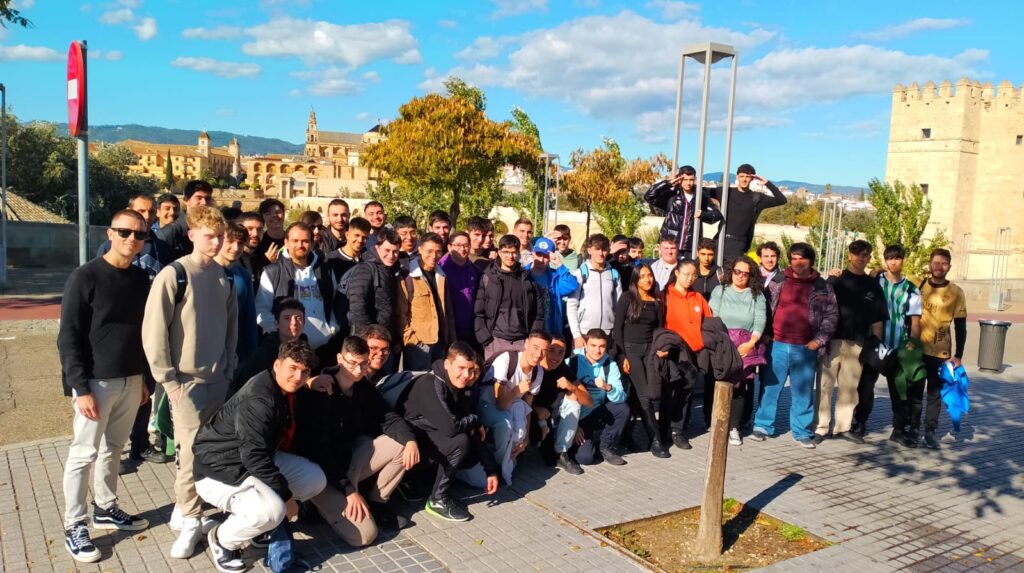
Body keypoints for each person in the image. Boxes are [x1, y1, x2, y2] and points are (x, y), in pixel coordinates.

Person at [142, 206, 238, 558]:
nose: (216, 242)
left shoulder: (223, 277)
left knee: (209, 451)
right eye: (209, 236)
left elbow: (231, 328)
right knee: (190, 454)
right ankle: (191, 519)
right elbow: (154, 332)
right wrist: (169, 382)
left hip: (218, 380)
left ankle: (188, 509)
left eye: (220, 236)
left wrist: (229, 367)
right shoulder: (175, 274)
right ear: (192, 234)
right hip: (185, 382)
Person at [59, 209, 152, 563]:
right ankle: (74, 524)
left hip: (130, 379)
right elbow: (68, 336)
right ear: (110, 233)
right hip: (95, 382)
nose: (132, 239)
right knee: (83, 454)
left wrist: (143, 379)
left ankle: (105, 506)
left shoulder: (141, 279)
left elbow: (142, 333)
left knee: (114, 448)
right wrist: (79, 387)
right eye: (125, 232)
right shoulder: (85, 277)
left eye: (139, 234)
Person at [193, 340, 327, 573]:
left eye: (305, 371)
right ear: (277, 365)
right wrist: (286, 497)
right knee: (273, 510)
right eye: (293, 368)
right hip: (219, 470)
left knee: (314, 479)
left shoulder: (282, 389)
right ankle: (223, 540)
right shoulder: (260, 399)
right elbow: (254, 458)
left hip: (250, 460)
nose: (298, 377)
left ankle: (259, 528)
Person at [301, 337, 419, 545]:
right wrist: (349, 491)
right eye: (352, 363)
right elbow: (318, 450)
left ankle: (377, 502)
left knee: (401, 444)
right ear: (340, 358)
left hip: (349, 462)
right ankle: (313, 504)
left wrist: (410, 440)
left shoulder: (362, 386)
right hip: (323, 473)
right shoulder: (322, 389)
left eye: (364, 364)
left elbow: (387, 417)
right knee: (365, 536)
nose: (358, 370)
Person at [396, 342, 499, 522]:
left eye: (470, 369)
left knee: (467, 441)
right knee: (460, 442)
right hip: (404, 446)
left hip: (427, 440)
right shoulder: (430, 384)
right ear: (447, 364)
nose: (466, 375)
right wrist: (475, 421)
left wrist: (491, 470)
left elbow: (470, 428)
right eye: (461, 368)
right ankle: (436, 499)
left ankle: (416, 481)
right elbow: (451, 428)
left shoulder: (460, 387)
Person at [750, 243, 837, 448]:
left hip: (805, 348)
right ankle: (762, 425)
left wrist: (818, 341)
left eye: (802, 258)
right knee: (770, 388)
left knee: (803, 392)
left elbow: (831, 316)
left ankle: (801, 431)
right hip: (777, 344)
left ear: (810, 261)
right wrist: (766, 335)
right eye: (794, 258)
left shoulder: (822, 286)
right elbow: (764, 309)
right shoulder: (778, 281)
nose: (798, 263)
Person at [814, 240, 887, 445]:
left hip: (858, 344)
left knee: (849, 388)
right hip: (833, 341)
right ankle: (821, 428)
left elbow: (878, 318)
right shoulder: (836, 280)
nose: (860, 258)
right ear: (849, 255)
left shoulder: (873, 285)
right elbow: (819, 305)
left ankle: (842, 428)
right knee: (825, 386)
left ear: (869, 258)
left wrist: (875, 344)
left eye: (865, 255)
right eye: (856, 254)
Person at [851, 244, 922, 446]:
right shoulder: (875, 280)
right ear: (885, 260)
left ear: (903, 260)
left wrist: (911, 348)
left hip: (898, 346)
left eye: (897, 258)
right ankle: (860, 423)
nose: (893, 262)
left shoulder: (911, 289)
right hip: (875, 344)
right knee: (866, 386)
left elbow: (915, 322)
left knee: (899, 390)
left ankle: (899, 430)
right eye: (889, 258)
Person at [475, 331, 550, 485]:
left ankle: (506, 460)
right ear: (526, 344)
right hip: (486, 404)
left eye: (544, 350)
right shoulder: (507, 359)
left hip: (511, 406)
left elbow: (527, 407)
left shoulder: (538, 372)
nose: (539, 354)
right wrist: (516, 390)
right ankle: (498, 466)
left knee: (519, 429)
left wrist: (526, 438)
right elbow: (500, 405)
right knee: (506, 423)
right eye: (535, 348)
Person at [708, 256, 767, 446]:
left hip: (745, 345)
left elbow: (759, 321)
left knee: (740, 388)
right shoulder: (720, 291)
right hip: (722, 343)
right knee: (718, 384)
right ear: (731, 271)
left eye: (745, 273)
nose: (741, 276)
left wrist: (751, 343)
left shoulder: (757, 295)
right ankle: (717, 423)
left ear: (751, 276)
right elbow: (713, 316)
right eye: (737, 271)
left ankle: (734, 427)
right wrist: (722, 343)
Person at [613, 263, 669, 457]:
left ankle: (626, 437)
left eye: (650, 275)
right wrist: (622, 356)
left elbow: (659, 330)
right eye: (643, 276)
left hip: (649, 352)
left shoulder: (656, 302)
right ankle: (656, 440)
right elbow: (617, 329)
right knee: (646, 396)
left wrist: (661, 350)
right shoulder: (627, 298)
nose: (647, 279)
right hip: (631, 351)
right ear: (636, 279)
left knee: (638, 397)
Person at [255, 222, 338, 351]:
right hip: (287, 349)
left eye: (305, 241)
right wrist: (284, 333)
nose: (300, 245)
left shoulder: (325, 270)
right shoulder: (273, 272)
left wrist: (333, 328)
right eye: (295, 241)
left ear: (312, 243)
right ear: (286, 242)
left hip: (324, 347)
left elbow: (335, 302)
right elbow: (261, 311)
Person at [915, 248, 967, 449]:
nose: (939, 267)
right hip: (916, 349)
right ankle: (912, 428)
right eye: (936, 263)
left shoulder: (956, 292)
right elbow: (889, 275)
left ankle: (930, 432)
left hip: (940, 352)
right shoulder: (918, 284)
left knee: (934, 394)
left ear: (949, 267)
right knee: (915, 391)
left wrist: (958, 355)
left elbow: (960, 326)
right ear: (929, 264)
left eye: (943, 263)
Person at [663, 260, 712, 447]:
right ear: (677, 273)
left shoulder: (698, 297)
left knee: (686, 393)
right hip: (672, 352)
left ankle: (678, 430)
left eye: (694, 275)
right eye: (686, 274)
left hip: (693, 353)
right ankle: (664, 429)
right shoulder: (665, 296)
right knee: (670, 392)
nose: (690, 278)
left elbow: (709, 322)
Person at [474, 234, 544, 360]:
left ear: (518, 253)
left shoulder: (527, 279)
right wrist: (485, 339)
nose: (510, 256)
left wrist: (532, 338)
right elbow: (479, 311)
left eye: (514, 252)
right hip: (495, 341)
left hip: (522, 342)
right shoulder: (488, 277)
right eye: (506, 252)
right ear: (499, 252)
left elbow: (538, 313)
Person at [531, 337, 593, 473]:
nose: (556, 356)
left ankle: (562, 452)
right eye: (551, 350)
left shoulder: (563, 368)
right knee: (546, 457)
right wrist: (535, 409)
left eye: (561, 352)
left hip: (553, 415)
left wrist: (572, 387)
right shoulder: (534, 366)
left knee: (574, 396)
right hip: (531, 413)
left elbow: (589, 401)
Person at [569, 329, 629, 466]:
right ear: (585, 344)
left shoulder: (610, 365)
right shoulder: (572, 362)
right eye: (593, 345)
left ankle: (605, 446)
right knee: (585, 459)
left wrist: (608, 387)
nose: (597, 350)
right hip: (577, 417)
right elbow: (561, 400)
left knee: (622, 409)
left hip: (597, 412)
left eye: (602, 346)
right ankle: (582, 444)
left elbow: (621, 397)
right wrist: (573, 424)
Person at [397, 233, 456, 370]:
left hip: (441, 343)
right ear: (420, 249)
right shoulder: (408, 277)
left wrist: (452, 340)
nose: (434, 256)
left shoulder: (441, 276)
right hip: (419, 346)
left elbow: (448, 312)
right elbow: (400, 316)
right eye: (429, 251)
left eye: (438, 251)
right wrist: (414, 342)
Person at [644, 165, 723, 260]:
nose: (688, 183)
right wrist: (668, 183)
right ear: (679, 179)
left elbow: (717, 215)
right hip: (670, 243)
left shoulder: (701, 196)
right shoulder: (672, 194)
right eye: (685, 179)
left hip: (690, 246)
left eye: (691, 179)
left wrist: (703, 215)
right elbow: (649, 196)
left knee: (688, 268)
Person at [715, 164, 787, 262]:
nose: (744, 179)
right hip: (719, 241)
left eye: (747, 177)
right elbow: (701, 192)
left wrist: (767, 183)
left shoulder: (757, 198)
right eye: (742, 176)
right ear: (737, 177)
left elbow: (782, 200)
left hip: (738, 246)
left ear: (752, 178)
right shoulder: (726, 192)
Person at [234, 298, 306, 394]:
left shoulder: (308, 351)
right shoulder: (262, 355)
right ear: (277, 323)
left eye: (298, 318)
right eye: (287, 318)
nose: (294, 323)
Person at [346, 228, 403, 343]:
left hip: (385, 337)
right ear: (377, 248)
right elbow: (357, 306)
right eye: (387, 250)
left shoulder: (392, 270)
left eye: (395, 251)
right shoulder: (365, 269)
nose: (391, 255)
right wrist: (368, 337)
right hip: (369, 340)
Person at [566, 234, 621, 349]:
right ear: (589, 250)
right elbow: (571, 305)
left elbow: (618, 306)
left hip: (607, 333)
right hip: (584, 333)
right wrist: (576, 335)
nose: (601, 253)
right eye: (597, 249)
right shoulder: (581, 273)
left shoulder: (614, 274)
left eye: (604, 249)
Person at [96, 193, 171, 273]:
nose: (147, 216)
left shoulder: (164, 248)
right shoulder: (111, 246)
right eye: (141, 211)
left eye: (151, 212)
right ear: (129, 211)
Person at [216, 222, 258, 365]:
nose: (235, 248)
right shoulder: (202, 272)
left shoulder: (244, 275)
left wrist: (251, 355)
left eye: (240, 243)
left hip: (236, 353)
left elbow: (249, 317)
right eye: (230, 241)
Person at [526, 237, 580, 337]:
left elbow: (572, 285)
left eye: (546, 256)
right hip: (528, 331)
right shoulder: (523, 274)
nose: (541, 259)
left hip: (550, 332)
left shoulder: (555, 277)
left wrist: (559, 264)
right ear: (533, 253)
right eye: (538, 254)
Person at [439, 232, 483, 347]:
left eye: (466, 245)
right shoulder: (440, 270)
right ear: (449, 247)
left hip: (471, 329)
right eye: (458, 245)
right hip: (449, 329)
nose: (463, 249)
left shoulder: (476, 271)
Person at [157, 180, 214, 260]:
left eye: (207, 198)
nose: (204, 202)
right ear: (186, 200)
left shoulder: (212, 229)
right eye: (199, 198)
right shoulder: (168, 233)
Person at [325, 216, 371, 281]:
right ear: (347, 235)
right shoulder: (331, 259)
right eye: (357, 235)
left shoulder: (368, 259)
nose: (360, 240)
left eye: (364, 237)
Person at [238, 211, 268, 289]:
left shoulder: (265, 256)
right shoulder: (233, 259)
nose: (255, 234)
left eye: (259, 229)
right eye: (250, 229)